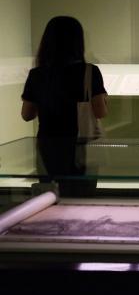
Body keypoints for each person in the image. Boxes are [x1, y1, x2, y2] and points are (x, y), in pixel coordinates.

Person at [21, 16, 108, 196]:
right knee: (82, 196)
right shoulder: (89, 71)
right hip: (81, 145)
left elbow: (27, 115)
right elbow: (100, 111)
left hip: (48, 145)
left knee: (50, 195)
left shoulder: (37, 74)